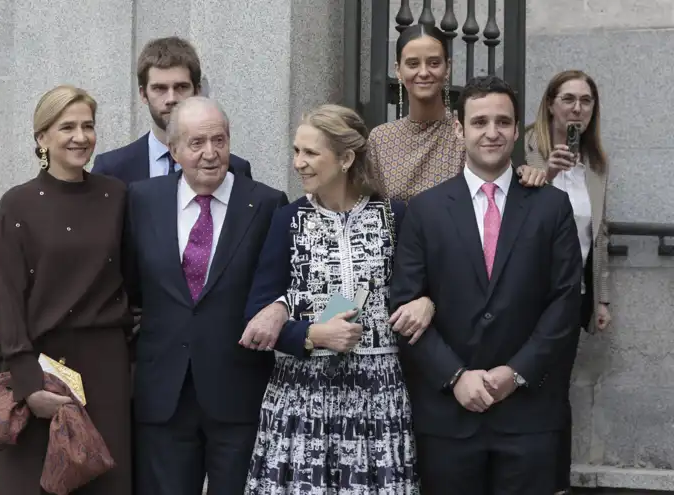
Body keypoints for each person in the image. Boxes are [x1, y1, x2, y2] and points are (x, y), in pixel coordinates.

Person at [390, 75, 583, 495]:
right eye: (479, 122)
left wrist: (515, 373)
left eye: (502, 121)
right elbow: (403, 304)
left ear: (517, 130)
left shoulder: (551, 206)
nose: (491, 132)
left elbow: (565, 302)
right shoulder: (425, 211)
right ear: (460, 128)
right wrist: (455, 376)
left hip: (529, 414)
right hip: (448, 415)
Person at [242, 104, 430, 494]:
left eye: (311, 153)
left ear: (346, 158)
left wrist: (426, 302)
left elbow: (422, 289)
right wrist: (313, 335)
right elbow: (258, 312)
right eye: (296, 151)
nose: (299, 163)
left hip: (377, 398)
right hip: (303, 399)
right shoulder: (288, 220)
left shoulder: (394, 217)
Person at [122, 96, 288, 495]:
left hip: (239, 392)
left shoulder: (266, 204)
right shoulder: (142, 201)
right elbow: (131, 283)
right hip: (164, 395)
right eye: (196, 143)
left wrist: (280, 308)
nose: (210, 154)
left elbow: (284, 283)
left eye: (219, 140)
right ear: (175, 150)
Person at [0, 85, 132, 494]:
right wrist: (28, 384)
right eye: (66, 126)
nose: (80, 136)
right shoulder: (17, 205)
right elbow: (6, 301)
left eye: (88, 125)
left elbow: (134, 283)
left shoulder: (115, 195)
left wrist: (130, 362)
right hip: (42, 372)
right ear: (42, 139)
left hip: (107, 373)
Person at [525, 69, 612, 495]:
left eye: (586, 100)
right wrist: (548, 172)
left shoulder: (595, 165)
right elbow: (512, 218)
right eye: (568, 99)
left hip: (570, 295)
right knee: (522, 384)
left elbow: (600, 235)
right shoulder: (523, 149)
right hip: (523, 296)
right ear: (550, 104)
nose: (577, 107)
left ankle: (556, 482)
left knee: (556, 392)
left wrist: (602, 299)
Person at [368, 24, 545, 203]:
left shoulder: (467, 132)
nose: (423, 72)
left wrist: (525, 174)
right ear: (398, 70)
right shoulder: (381, 139)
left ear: (448, 67)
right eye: (413, 64)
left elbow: (499, 185)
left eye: (434, 63)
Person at [92, 36, 252, 183]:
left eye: (181, 87)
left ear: (197, 91)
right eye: (159, 88)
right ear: (143, 94)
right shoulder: (111, 169)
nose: (171, 99)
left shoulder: (235, 170)